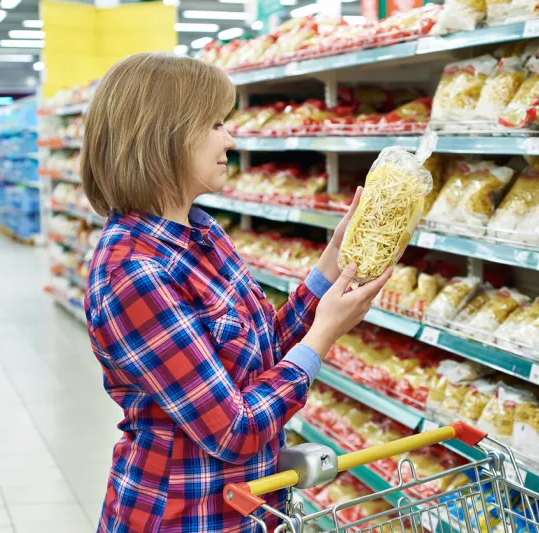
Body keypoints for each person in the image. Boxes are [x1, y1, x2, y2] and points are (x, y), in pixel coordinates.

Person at [80, 52, 392, 533]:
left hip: (248, 508)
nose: (230, 137)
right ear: (164, 134)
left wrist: (332, 265)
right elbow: (233, 428)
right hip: (182, 515)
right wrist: (323, 337)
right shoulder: (133, 272)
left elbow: (262, 350)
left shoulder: (203, 235)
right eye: (215, 124)